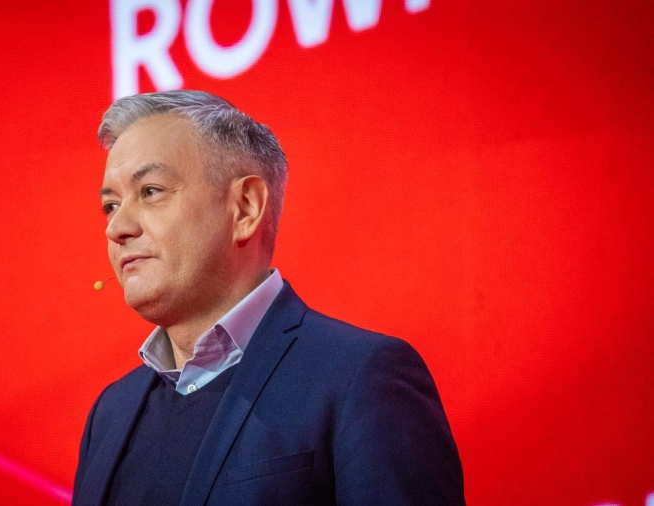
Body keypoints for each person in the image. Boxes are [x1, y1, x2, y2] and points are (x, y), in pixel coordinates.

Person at [72, 90, 464, 506]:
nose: (116, 228)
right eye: (110, 206)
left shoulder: (361, 379)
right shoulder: (110, 413)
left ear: (245, 207)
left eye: (151, 191)